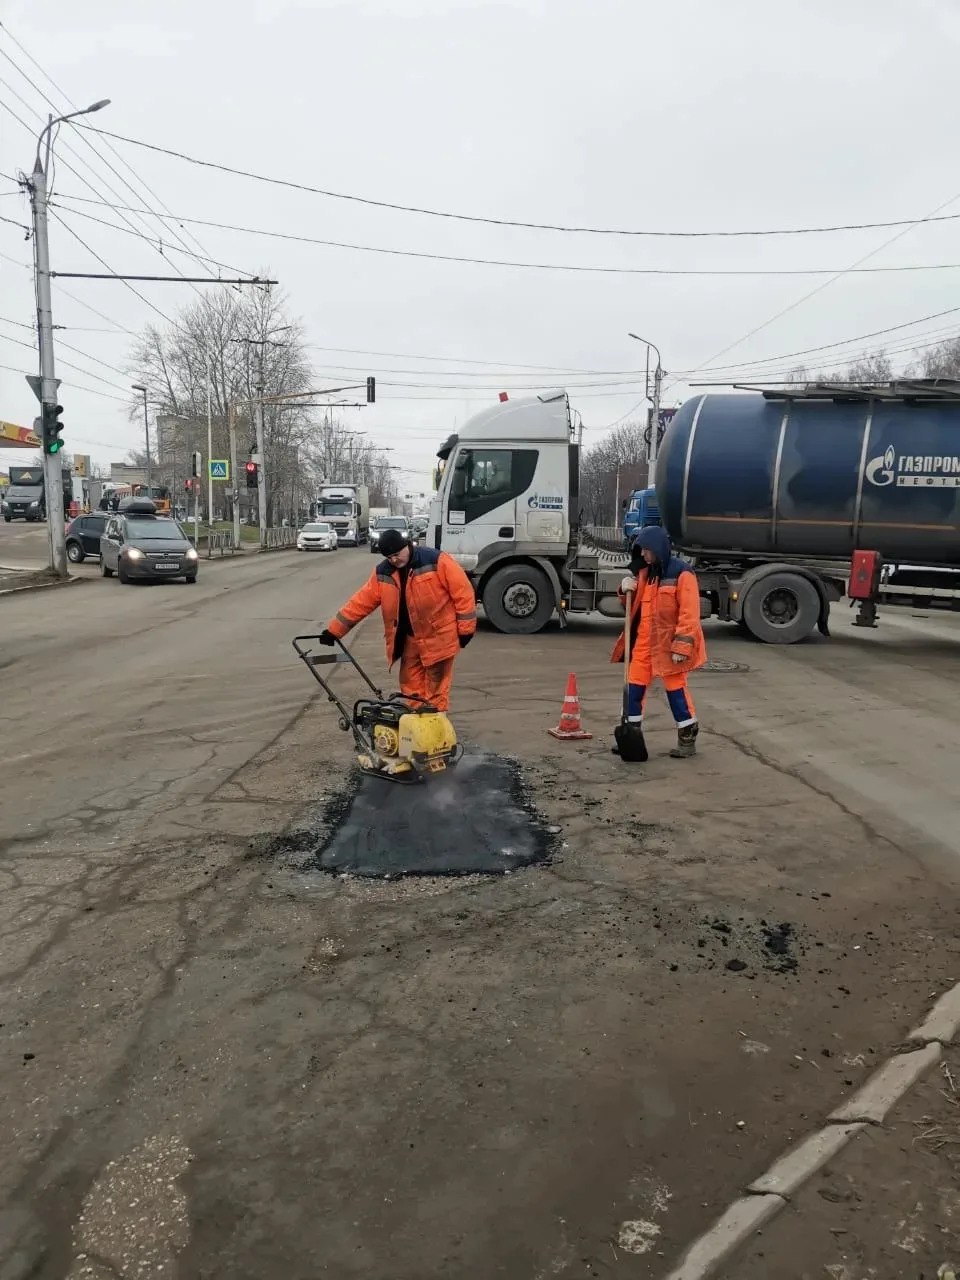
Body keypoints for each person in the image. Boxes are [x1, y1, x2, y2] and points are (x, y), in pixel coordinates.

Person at [318, 528, 477, 712]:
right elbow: (360, 603)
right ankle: (418, 723)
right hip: (408, 639)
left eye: (396, 554)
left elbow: (463, 593)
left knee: (436, 686)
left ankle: (435, 724)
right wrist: (334, 631)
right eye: (389, 557)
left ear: (406, 546)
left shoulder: (437, 560)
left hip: (438, 636)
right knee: (411, 686)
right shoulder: (382, 573)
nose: (394, 560)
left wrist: (466, 630)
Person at [611, 525, 706, 758]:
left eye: (646, 550)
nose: (642, 555)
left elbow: (689, 615)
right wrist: (624, 590)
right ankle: (631, 734)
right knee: (633, 688)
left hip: (669, 645)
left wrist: (681, 647)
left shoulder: (683, 574)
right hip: (644, 644)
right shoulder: (645, 573)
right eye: (640, 550)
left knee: (676, 691)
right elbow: (631, 607)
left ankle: (687, 738)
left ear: (658, 548)